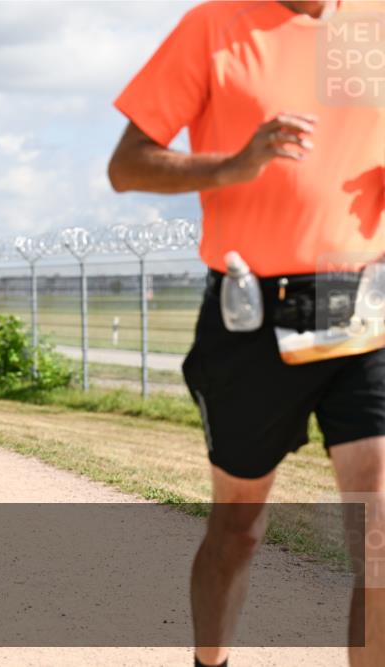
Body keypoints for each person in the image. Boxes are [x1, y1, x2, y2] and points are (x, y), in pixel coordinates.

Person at [107, 2, 384, 666]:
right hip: (250, 315)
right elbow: (127, 166)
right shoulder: (214, 26)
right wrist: (232, 165)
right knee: (239, 527)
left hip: (360, 307)